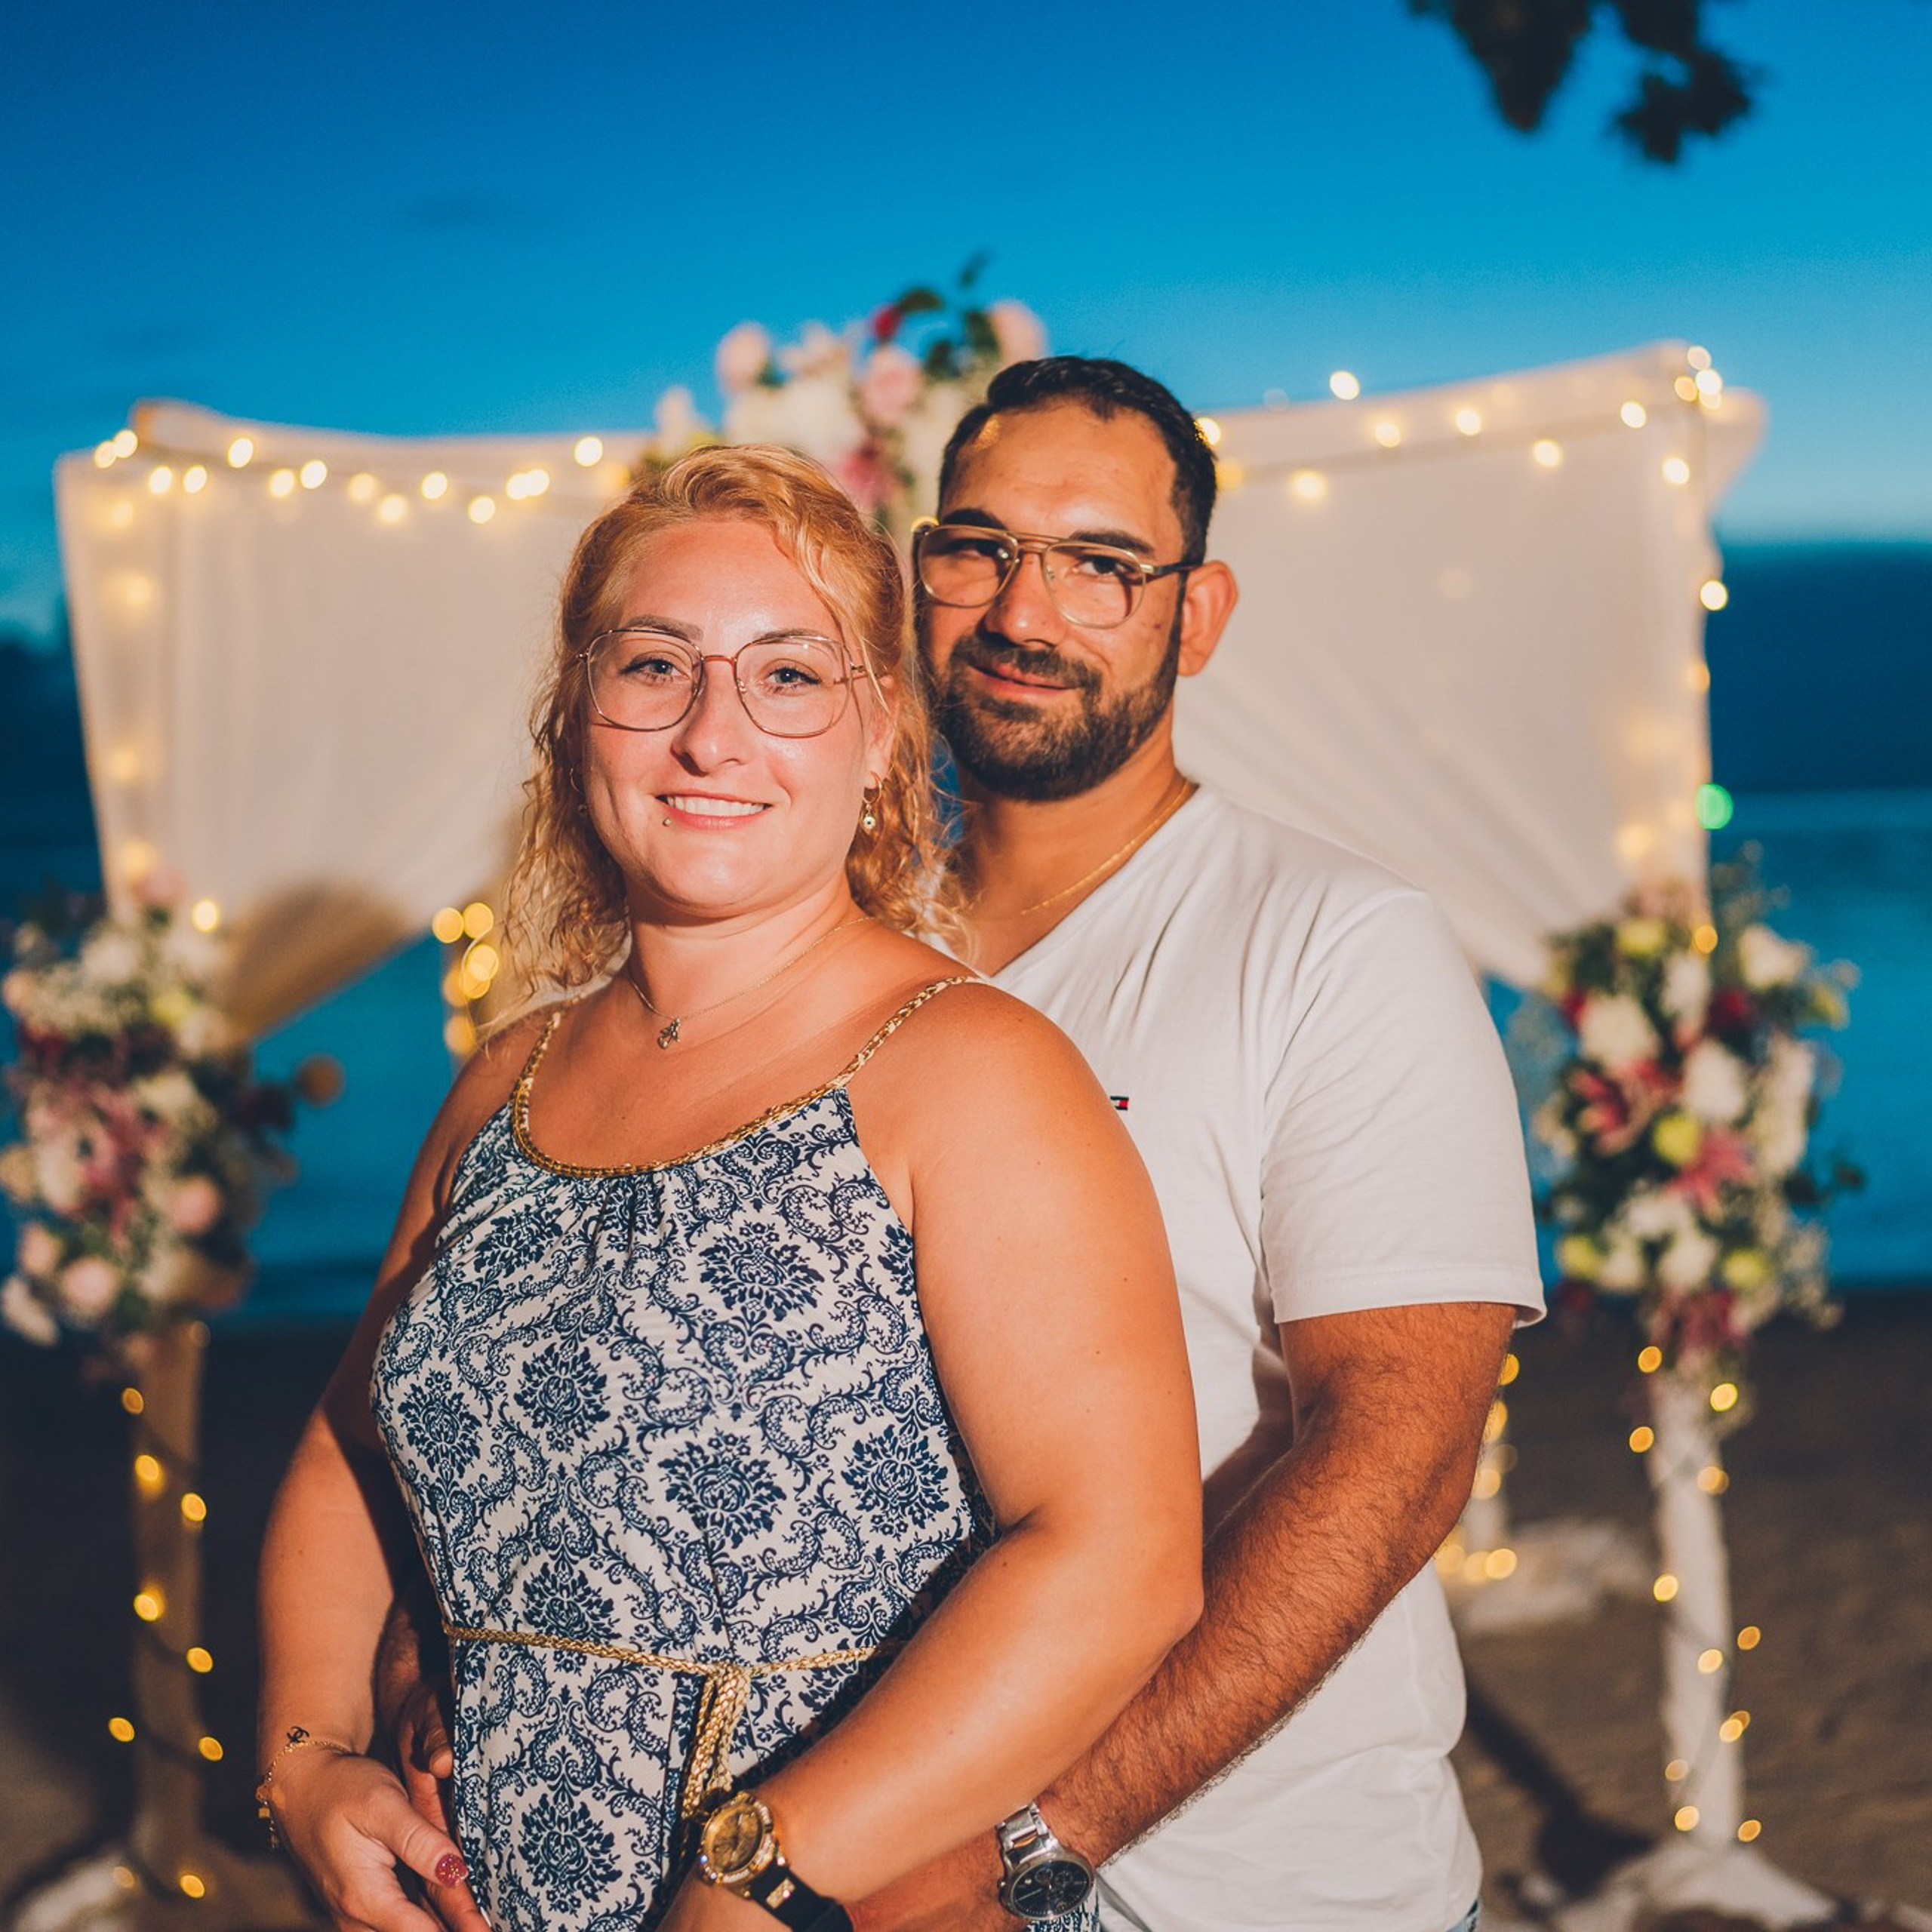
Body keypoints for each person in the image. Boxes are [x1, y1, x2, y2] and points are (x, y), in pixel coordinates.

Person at [384, 358, 1544, 1931]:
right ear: (912, 587)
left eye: (1097, 563)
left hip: (1233, 1871)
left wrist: (1024, 1840)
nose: (1022, 608)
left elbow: (1393, 1460)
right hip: (834, 1850)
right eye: (977, 547)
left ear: (1195, 614)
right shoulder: (801, 938)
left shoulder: (1331, 942)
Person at [254, 443, 1203, 1932]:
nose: (712, 733)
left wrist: (763, 1872)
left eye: (786, 675)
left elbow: (1116, 1557)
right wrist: (305, 1755)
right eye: (656, 665)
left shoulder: (965, 1069)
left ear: (879, 729)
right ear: (577, 715)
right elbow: (347, 1440)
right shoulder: (504, 1077)